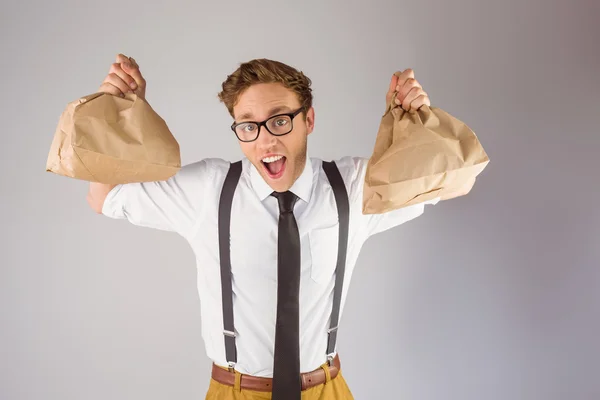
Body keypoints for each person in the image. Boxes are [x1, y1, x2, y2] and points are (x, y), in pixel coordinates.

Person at [87, 53, 443, 400]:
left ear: (309, 120)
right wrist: (122, 112)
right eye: (248, 125)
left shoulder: (350, 187)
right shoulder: (210, 190)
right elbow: (103, 196)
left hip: (325, 390)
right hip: (236, 392)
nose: (265, 140)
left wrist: (413, 118)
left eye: (280, 120)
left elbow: (441, 180)